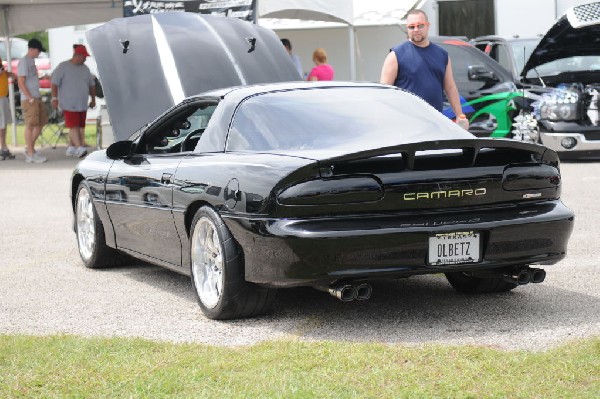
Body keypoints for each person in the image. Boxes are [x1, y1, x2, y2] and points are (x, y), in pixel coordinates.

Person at [379, 9, 468, 129]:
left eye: (420, 26)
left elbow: (450, 87)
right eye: (411, 27)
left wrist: (460, 116)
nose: (416, 30)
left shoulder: (442, 55)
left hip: (435, 123)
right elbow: (384, 92)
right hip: (407, 125)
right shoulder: (396, 55)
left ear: (427, 26)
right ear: (407, 28)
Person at [51, 44, 96, 158]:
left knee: (80, 125)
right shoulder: (63, 66)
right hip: (68, 103)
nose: (85, 58)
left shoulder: (85, 68)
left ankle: (71, 147)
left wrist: (93, 99)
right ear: (77, 55)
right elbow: (54, 83)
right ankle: (80, 147)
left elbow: (92, 85)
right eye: (84, 56)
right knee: (73, 126)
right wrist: (54, 98)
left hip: (82, 103)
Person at [17, 38, 48, 163]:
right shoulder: (24, 61)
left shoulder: (31, 61)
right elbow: (21, 81)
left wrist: (41, 77)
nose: (39, 53)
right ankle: (30, 153)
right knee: (30, 125)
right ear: (32, 49)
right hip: (29, 99)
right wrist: (29, 97)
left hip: (36, 97)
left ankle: (30, 148)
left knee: (41, 123)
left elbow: (30, 79)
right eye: (38, 50)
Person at [0, 59, 15, 160]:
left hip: (3, 97)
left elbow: (4, 73)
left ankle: (3, 146)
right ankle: (3, 147)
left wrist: (9, 74)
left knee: (3, 124)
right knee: (1, 124)